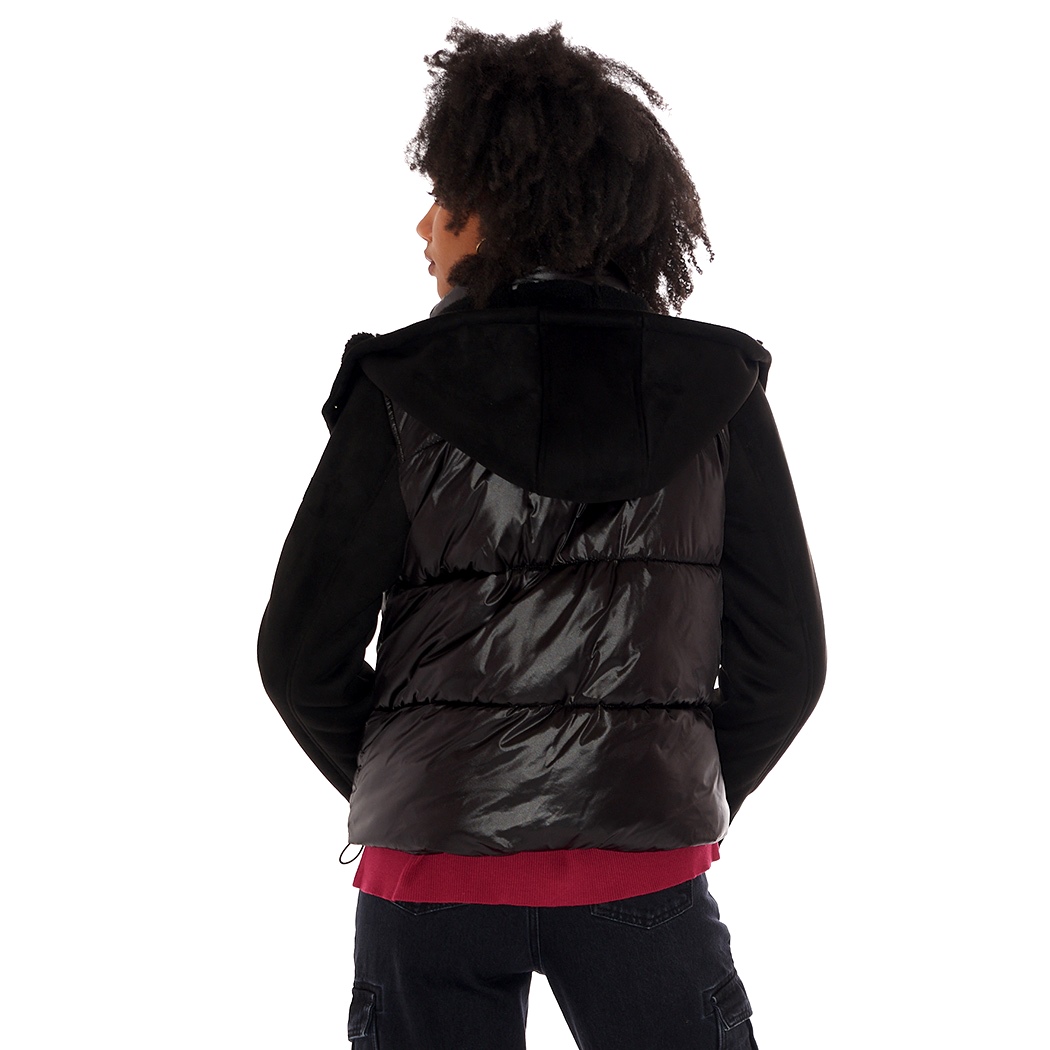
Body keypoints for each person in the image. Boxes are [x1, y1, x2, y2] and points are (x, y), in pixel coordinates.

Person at [257, 22, 825, 1050]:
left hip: (429, 877)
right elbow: (787, 665)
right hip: (643, 873)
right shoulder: (719, 391)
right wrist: (652, 789)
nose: (423, 225)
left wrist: (433, 784)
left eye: (446, 197)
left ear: (501, 209)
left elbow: (299, 656)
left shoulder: (398, 388)